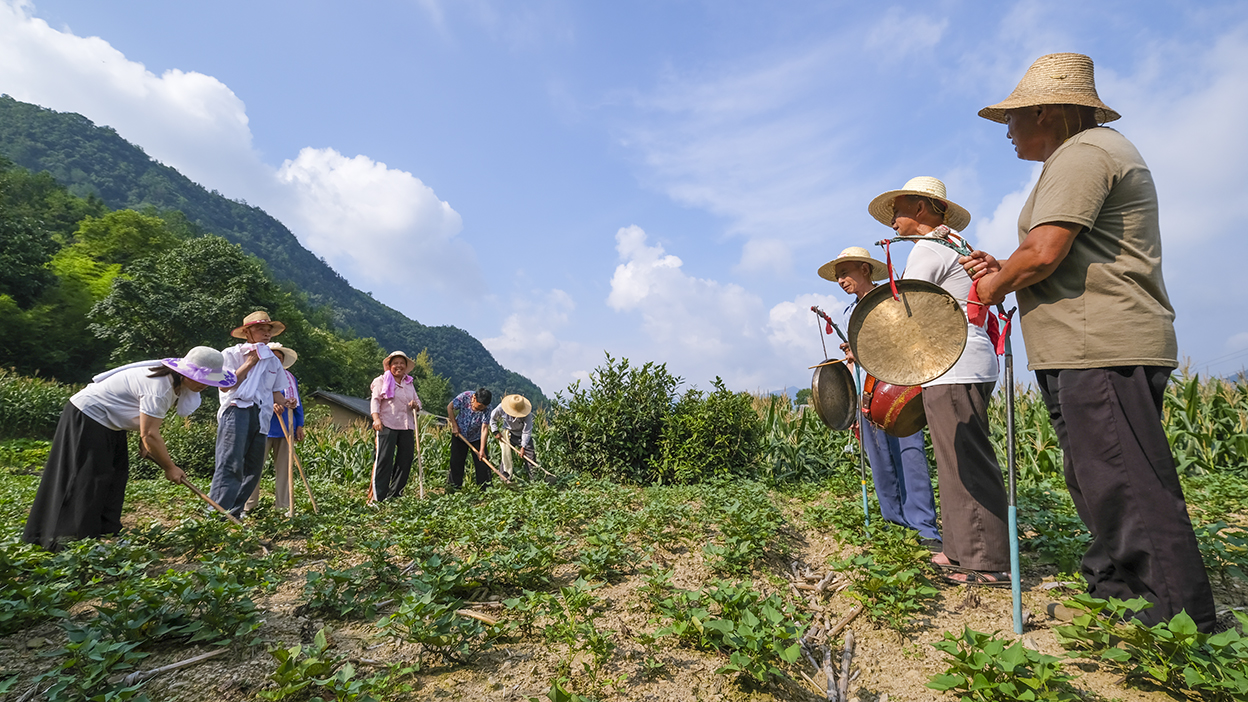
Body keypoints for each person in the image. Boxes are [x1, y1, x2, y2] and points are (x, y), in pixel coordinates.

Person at [961, 53, 1217, 630]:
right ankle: (1118, 591)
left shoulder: (1082, 154)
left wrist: (995, 283)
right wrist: (1006, 266)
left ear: (1047, 112)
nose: (1007, 132)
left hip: (1099, 343)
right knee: (1100, 479)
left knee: (1126, 484)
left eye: (1013, 118)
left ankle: (1185, 624)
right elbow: (1061, 253)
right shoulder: (1086, 153)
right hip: (1084, 345)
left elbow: (1046, 253)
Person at [868, 176, 1010, 586]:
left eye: (899, 209)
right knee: (952, 460)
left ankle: (986, 561)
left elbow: (908, 310)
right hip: (964, 361)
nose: (892, 219)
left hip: (957, 364)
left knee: (966, 460)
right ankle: (958, 548)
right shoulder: (955, 245)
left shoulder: (929, 249)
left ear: (922, 209)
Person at [22, 347, 236, 550]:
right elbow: (150, 433)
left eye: (209, 381)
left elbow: (140, 419)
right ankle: (67, 538)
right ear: (186, 373)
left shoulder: (175, 385)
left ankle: (106, 532)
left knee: (115, 475)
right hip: (88, 416)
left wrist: (145, 444)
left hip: (110, 423)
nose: (205, 386)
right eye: (202, 380)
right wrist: (170, 467)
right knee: (89, 478)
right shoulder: (160, 387)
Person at [818, 246, 941, 549]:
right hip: (866, 391)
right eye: (837, 276)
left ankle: (924, 527)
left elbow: (907, 339)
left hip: (897, 387)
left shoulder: (890, 298)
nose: (841, 280)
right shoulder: (850, 312)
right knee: (880, 461)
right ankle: (895, 521)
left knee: (910, 456)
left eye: (845, 272)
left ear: (865, 269)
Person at [211, 311, 295, 520]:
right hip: (236, 409)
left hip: (261, 413)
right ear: (247, 332)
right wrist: (249, 362)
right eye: (260, 329)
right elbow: (225, 386)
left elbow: (275, 392)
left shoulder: (273, 361)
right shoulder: (230, 354)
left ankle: (236, 512)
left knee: (253, 467)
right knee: (230, 462)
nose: (266, 334)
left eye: (268, 331)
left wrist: (286, 402)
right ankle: (217, 513)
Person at [243, 343, 303, 515]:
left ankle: (283, 506)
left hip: (286, 428)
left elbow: (297, 404)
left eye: (280, 359)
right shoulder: (257, 375)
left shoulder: (290, 378)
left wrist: (300, 425)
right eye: (274, 357)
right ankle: (248, 505)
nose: (277, 361)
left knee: (285, 469)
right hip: (263, 427)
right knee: (254, 467)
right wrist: (273, 402)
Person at [368, 351, 422, 502]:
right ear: (389, 366)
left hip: (406, 426)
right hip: (387, 424)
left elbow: (418, 402)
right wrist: (376, 418)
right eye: (395, 363)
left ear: (406, 366)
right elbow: (375, 401)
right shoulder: (381, 380)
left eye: (402, 363)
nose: (399, 366)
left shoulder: (409, 382)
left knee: (405, 460)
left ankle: (396, 494)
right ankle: (378, 497)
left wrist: (416, 405)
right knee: (384, 459)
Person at [447, 387, 493, 490]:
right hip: (459, 435)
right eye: (479, 406)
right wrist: (454, 425)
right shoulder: (464, 397)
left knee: (482, 463)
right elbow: (449, 407)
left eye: (483, 407)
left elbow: (484, 428)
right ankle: (453, 488)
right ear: (474, 398)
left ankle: (485, 490)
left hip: (476, 437)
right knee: (456, 462)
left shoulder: (488, 408)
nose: (481, 409)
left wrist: (481, 449)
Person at [490, 394, 535, 480]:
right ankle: (504, 479)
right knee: (505, 455)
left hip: (522, 434)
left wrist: (523, 447)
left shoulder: (527, 414)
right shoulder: (501, 408)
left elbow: (527, 431)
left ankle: (534, 480)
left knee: (530, 457)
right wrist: (495, 431)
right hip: (508, 434)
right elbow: (493, 418)